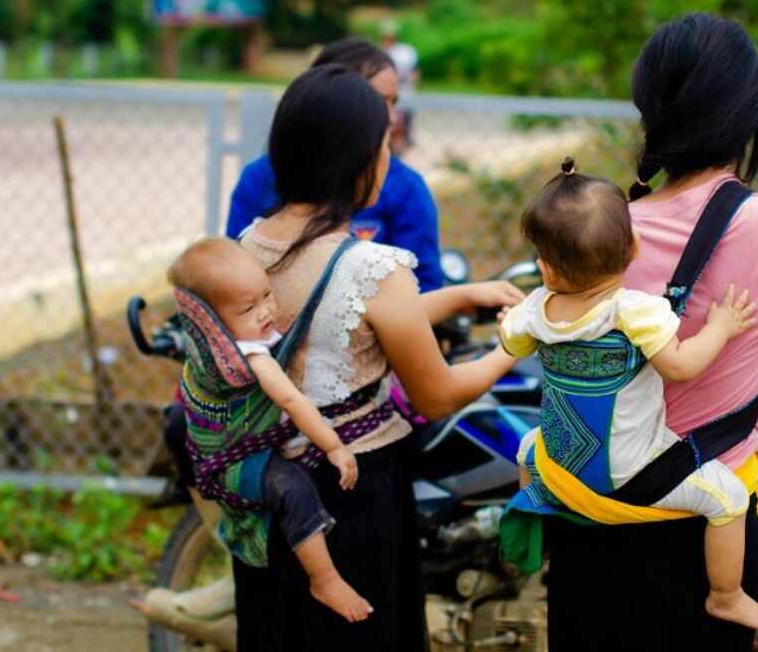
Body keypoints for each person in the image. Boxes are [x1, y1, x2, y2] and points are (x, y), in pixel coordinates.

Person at [541, 13, 758, 651]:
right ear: (749, 113)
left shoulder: (597, 230)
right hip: (707, 538)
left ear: (648, 110)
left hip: (586, 525)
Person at [229, 64, 522, 650]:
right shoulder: (373, 266)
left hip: (266, 488)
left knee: (277, 633)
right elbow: (434, 394)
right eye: (384, 143)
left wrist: (462, 295)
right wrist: (513, 347)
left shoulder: (245, 248)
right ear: (361, 162)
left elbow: (342, 327)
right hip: (351, 491)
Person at [499, 158, 758, 631]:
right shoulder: (636, 312)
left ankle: (545, 518)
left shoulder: (534, 311)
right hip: (630, 472)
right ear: (634, 248)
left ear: (545, 269)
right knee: (729, 498)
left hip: (559, 461)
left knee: (526, 447)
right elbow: (682, 366)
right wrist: (720, 327)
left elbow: (512, 341)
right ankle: (727, 596)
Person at [166, 238, 372, 623]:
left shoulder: (209, 351)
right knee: (293, 490)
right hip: (235, 461)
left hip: (216, 450)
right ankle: (324, 578)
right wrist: (334, 446)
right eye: (248, 308)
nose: (266, 311)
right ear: (210, 323)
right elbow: (293, 402)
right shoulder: (251, 357)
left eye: (267, 295)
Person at [225, 37, 442, 292]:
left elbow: (423, 284)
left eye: (394, 102)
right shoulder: (260, 178)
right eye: (377, 100)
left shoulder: (406, 188)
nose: (391, 117)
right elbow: (231, 275)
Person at [380, 21, 419, 153]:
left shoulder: (404, 52)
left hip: (404, 91)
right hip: (393, 93)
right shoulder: (382, 53)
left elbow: (414, 72)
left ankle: (402, 143)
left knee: (403, 122)